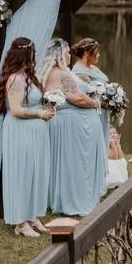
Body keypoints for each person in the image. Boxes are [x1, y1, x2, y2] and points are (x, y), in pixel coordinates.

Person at [0, 37, 55, 237]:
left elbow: (34, 102)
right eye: (33, 52)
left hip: (36, 132)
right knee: (23, 172)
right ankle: (21, 222)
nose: (35, 56)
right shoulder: (15, 79)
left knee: (37, 172)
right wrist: (39, 114)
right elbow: (16, 110)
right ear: (25, 54)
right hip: (20, 131)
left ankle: (33, 215)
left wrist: (48, 108)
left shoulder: (29, 76)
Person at [39, 38, 103, 217]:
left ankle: (60, 199)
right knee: (74, 165)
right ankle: (75, 199)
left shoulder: (47, 73)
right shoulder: (62, 74)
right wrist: (95, 103)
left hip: (60, 124)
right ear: (59, 55)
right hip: (70, 127)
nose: (69, 56)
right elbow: (78, 98)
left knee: (65, 165)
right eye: (67, 53)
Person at [72, 38, 111, 200]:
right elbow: (83, 95)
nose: (99, 55)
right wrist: (104, 103)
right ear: (88, 53)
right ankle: (90, 186)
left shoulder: (92, 67)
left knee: (102, 146)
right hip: (92, 115)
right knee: (93, 149)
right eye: (96, 52)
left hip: (101, 114)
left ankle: (99, 184)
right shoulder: (79, 72)